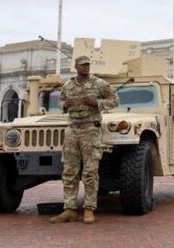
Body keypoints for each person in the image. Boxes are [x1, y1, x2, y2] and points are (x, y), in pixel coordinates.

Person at [51, 56, 119, 225]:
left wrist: (97, 102)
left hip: (90, 130)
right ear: (76, 67)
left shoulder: (100, 84)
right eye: (83, 65)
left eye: (88, 64)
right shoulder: (68, 85)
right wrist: (64, 105)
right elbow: (60, 101)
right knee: (69, 171)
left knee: (90, 172)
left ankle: (89, 209)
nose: (86, 68)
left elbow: (115, 100)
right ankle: (69, 209)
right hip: (72, 129)